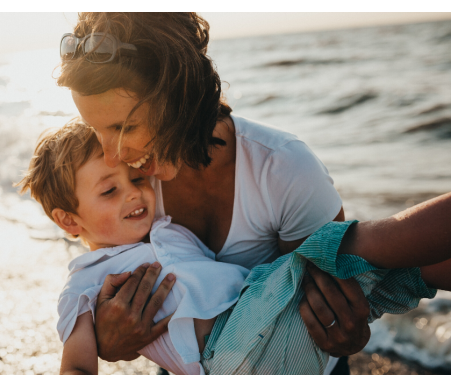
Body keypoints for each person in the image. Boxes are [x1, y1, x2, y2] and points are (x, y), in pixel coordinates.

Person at [56, 12, 366, 373]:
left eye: (124, 127)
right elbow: (112, 284)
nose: (112, 155)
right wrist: (108, 341)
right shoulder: (128, 187)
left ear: (179, 97)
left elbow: (333, 303)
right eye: (95, 129)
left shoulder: (282, 169)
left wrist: (351, 333)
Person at [17, 120, 451, 374]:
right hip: (226, 354)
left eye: (136, 179)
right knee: (346, 248)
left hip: (268, 335)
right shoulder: (85, 282)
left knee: (402, 276)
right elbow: (76, 366)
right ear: (69, 220)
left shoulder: (166, 230)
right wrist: (107, 345)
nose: (135, 194)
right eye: (109, 192)